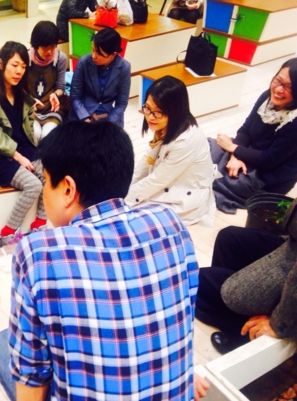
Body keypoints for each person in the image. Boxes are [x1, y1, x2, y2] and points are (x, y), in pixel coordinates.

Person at [0, 120, 203, 400]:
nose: (43, 190)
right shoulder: (169, 223)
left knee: (2, 344)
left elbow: (32, 376)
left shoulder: (38, 252)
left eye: (46, 182)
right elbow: (183, 318)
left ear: (68, 189)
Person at [196, 198, 297, 354]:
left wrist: (280, 324)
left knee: (201, 280)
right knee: (229, 238)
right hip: (291, 248)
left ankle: (244, 336)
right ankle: (229, 311)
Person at [0, 41, 47, 247]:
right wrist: (18, 156)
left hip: (20, 147)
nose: (19, 71)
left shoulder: (19, 90)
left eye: (23, 67)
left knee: (48, 173)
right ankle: (8, 233)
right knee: (33, 185)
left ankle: (40, 223)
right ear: (1, 64)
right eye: (14, 65)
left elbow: (26, 123)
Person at [125, 76, 217, 226]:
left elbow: (157, 180)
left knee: (133, 219)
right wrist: (125, 187)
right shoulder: (167, 126)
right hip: (167, 181)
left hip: (185, 196)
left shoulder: (186, 140)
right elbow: (147, 160)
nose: (150, 116)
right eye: (147, 108)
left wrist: (124, 199)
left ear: (175, 111)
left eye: (158, 112)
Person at [210, 58, 297, 214]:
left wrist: (232, 148)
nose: (279, 89)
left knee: (214, 178)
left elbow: (268, 160)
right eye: (278, 80)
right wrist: (234, 156)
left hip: (265, 177)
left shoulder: (294, 122)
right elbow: (245, 130)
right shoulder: (266, 97)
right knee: (204, 147)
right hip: (247, 155)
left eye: (289, 87)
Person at [69, 27, 131, 127]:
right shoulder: (84, 62)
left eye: (99, 53)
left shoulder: (124, 67)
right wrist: (84, 117)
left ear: (113, 55)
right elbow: (75, 96)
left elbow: (121, 103)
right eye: (93, 50)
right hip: (84, 114)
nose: (94, 56)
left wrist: (109, 123)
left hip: (109, 116)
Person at [27, 21, 67, 143]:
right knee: (35, 134)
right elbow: (19, 88)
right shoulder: (26, 58)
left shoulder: (60, 58)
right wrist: (29, 100)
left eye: (53, 46)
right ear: (35, 45)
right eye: (45, 47)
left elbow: (60, 87)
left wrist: (55, 94)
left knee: (47, 135)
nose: (49, 51)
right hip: (30, 109)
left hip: (52, 110)